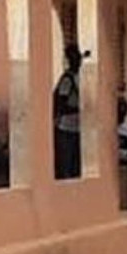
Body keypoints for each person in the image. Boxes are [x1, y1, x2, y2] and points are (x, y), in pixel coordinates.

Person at [53, 44, 83, 179]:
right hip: (66, 127)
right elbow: (61, 102)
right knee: (66, 164)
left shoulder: (80, 77)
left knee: (76, 165)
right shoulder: (67, 79)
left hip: (78, 127)